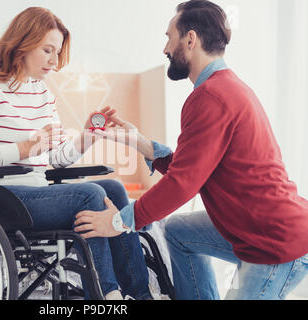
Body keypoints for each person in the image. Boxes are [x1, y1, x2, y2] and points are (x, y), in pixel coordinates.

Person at [74, 0, 308, 300]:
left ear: (190, 39)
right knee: (178, 231)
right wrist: (139, 142)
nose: (165, 48)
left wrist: (119, 222)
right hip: (258, 227)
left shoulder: (211, 96)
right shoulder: (225, 88)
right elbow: (193, 168)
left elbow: (182, 184)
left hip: (273, 244)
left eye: (168, 37)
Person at [0, 7, 153, 300]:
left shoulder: (42, 93)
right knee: (91, 196)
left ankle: (140, 294)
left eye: (57, 52)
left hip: (36, 192)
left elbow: (54, 159)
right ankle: (107, 297)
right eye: (47, 50)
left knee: (114, 190)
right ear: (23, 42)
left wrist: (86, 139)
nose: (54, 61)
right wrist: (26, 147)